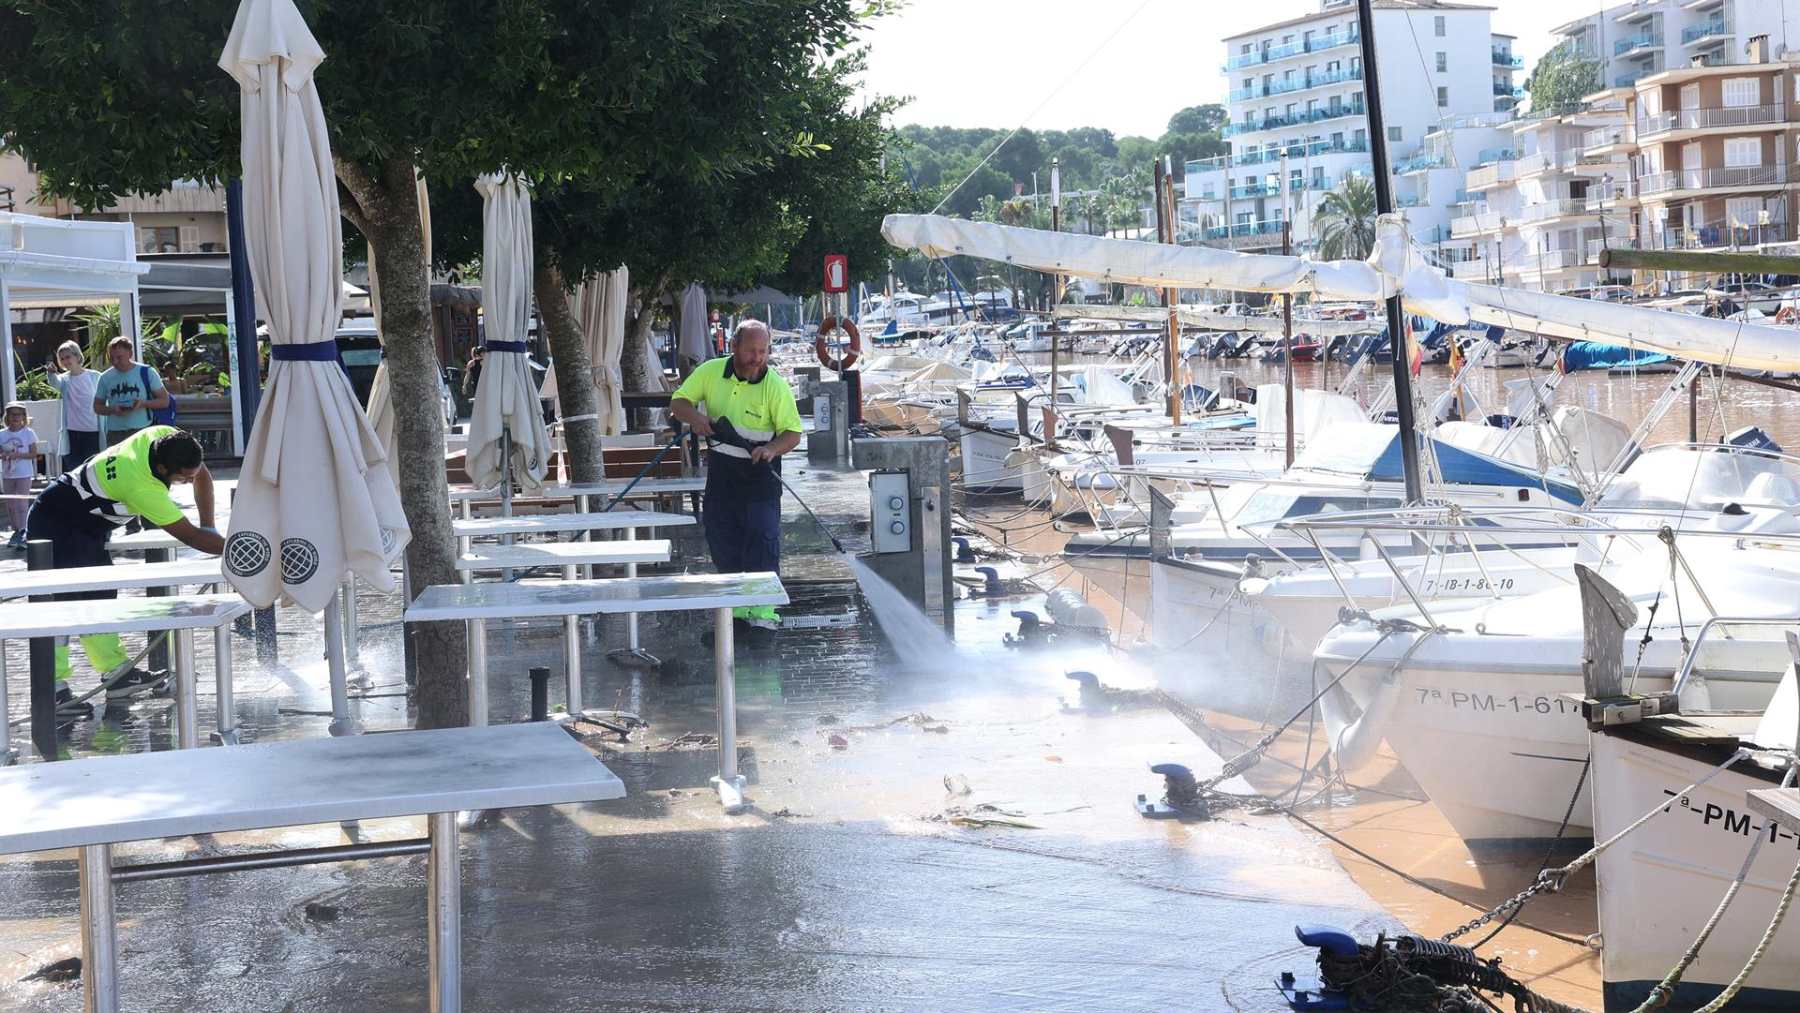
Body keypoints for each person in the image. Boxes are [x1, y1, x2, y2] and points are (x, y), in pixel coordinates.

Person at [28, 426, 224, 719]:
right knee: (62, 604)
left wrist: (210, 525)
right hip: (55, 521)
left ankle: (116, 674)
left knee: (100, 596)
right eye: (182, 477)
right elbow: (193, 538)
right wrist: (244, 552)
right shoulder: (142, 486)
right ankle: (51, 688)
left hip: (86, 524)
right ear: (161, 468)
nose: (188, 482)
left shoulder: (166, 437)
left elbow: (202, 476)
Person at [669, 319, 803, 647]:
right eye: (751, 350)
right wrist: (697, 419)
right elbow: (678, 402)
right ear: (733, 347)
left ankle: (764, 618)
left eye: (763, 351)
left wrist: (771, 448)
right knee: (723, 540)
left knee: (761, 538)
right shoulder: (711, 372)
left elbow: (793, 433)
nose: (758, 357)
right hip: (723, 474)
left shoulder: (776, 387)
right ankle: (737, 617)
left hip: (760, 476)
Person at [92, 336, 170, 447]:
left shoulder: (147, 372)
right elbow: (97, 407)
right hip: (115, 434)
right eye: (111, 358)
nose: (115, 361)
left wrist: (143, 403)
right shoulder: (105, 377)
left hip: (142, 430)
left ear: (130, 353)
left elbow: (164, 401)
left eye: (119, 357)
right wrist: (113, 409)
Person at [51, 340, 101, 471]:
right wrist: (51, 373)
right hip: (72, 432)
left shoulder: (95, 376)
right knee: (75, 471)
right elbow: (54, 383)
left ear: (78, 356)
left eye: (68, 356)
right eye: (62, 359)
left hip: (93, 430)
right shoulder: (64, 379)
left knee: (92, 469)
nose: (65, 361)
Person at [0, 402, 38, 549]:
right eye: (12, 414)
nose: (15, 417)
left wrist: (18, 455)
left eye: (19, 414)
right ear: (7, 417)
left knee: (22, 503)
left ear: (24, 416)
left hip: (23, 472)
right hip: (8, 473)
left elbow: (34, 453)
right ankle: (16, 530)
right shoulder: (2, 434)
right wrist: (4, 455)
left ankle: (24, 531)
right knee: (11, 505)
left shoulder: (28, 433)